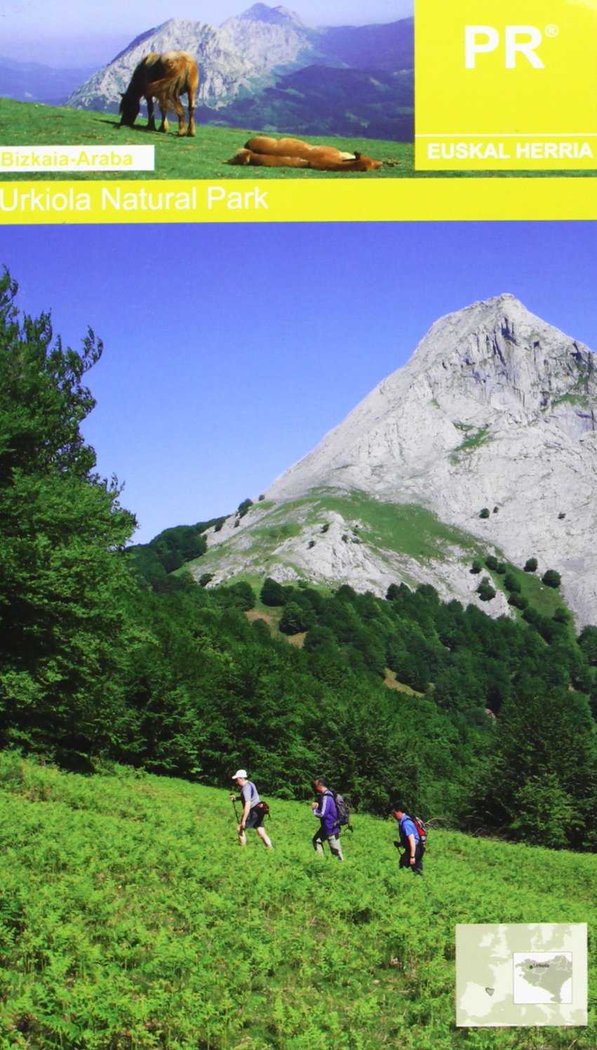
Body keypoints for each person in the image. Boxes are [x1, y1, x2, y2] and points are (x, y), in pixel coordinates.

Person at [230, 769, 272, 849]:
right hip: (260, 810)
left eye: (237, 779)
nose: (236, 781)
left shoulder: (246, 788)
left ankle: (243, 849)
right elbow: (249, 797)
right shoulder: (250, 784)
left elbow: (248, 803)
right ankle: (270, 849)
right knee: (261, 831)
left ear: (241, 778)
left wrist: (243, 820)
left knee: (240, 828)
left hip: (253, 811)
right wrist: (236, 798)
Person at [311, 777, 344, 861]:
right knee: (316, 840)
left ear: (320, 785)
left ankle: (323, 862)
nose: (315, 787)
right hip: (330, 827)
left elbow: (322, 814)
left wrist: (314, 810)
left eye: (315, 785)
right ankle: (321, 863)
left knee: (337, 853)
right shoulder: (329, 794)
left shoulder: (326, 797)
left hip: (330, 828)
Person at [391, 803, 424, 875]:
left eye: (394, 813)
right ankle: (421, 883)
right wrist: (400, 844)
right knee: (417, 870)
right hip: (418, 848)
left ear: (399, 811)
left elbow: (412, 840)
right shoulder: (405, 820)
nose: (393, 815)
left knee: (403, 866)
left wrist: (412, 857)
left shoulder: (406, 823)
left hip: (415, 849)